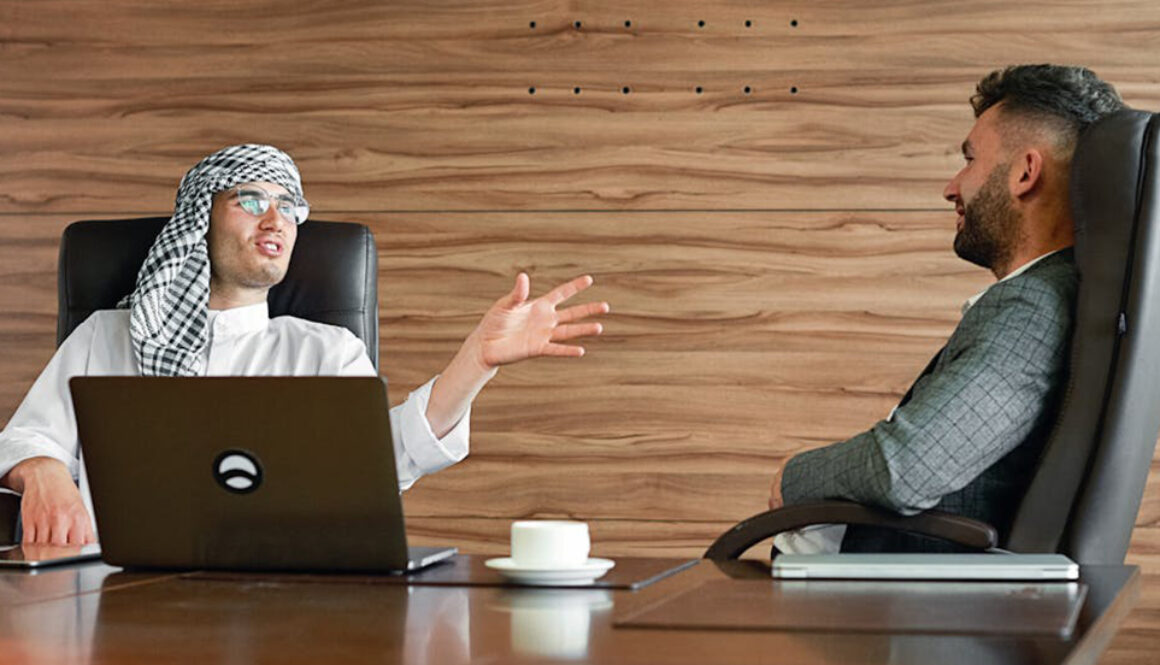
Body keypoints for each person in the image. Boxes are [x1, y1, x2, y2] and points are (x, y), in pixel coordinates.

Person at [0, 144, 608, 546]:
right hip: (109, 597)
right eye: (252, 201)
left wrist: (476, 360)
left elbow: (382, 460)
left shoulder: (325, 351)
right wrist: (46, 471)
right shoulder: (105, 335)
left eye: (289, 207)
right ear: (199, 221)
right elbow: (25, 439)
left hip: (281, 601)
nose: (276, 221)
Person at [767, 64, 1125, 553]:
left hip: (871, 608)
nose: (952, 187)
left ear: (1025, 173)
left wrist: (793, 476)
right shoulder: (1058, 292)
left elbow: (907, 468)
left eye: (969, 159)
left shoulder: (1033, 307)